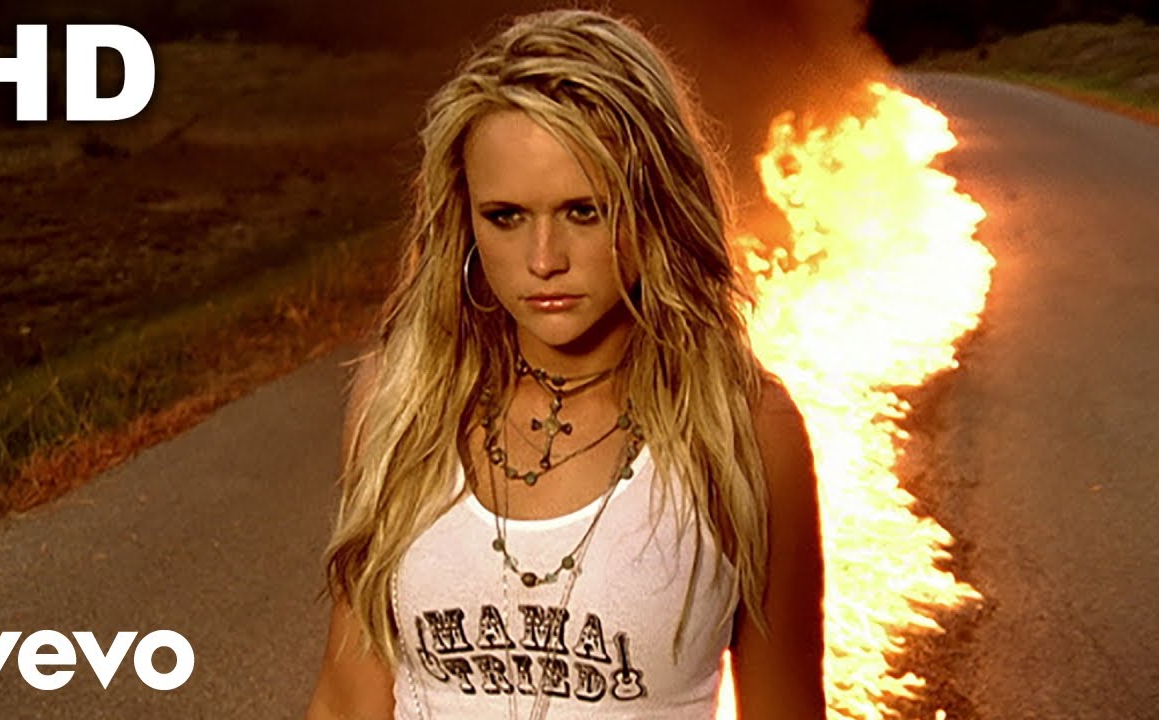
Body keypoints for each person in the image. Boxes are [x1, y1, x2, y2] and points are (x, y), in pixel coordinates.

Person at [305, 9, 824, 719]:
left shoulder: (746, 429)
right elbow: (347, 700)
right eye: (506, 216)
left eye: (585, 211)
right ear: (466, 221)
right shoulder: (400, 403)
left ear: (655, 207)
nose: (544, 260)